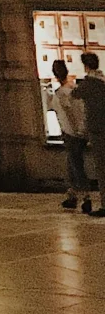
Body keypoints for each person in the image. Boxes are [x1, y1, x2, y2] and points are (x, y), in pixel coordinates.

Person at [52, 59, 91, 212]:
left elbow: (67, 115)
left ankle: (85, 197)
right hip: (80, 132)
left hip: (71, 132)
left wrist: (76, 130)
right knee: (72, 164)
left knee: (75, 165)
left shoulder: (61, 94)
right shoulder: (75, 89)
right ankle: (72, 195)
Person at [73, 53, 105, 218]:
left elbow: (75, 95)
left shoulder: (89, 84)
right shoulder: (102, 82)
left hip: (98, 131)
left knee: (101, 168)